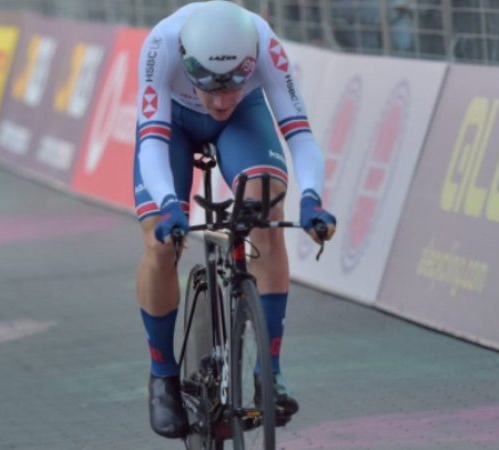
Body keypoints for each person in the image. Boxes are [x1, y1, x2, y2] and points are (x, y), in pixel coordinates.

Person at [133, 0, 336, 439]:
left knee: (267, 206)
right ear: (188, 64)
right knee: (160, 243)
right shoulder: (161, 46)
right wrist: (169, 204)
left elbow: (299, 133)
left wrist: (313, 200)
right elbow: (151, 142)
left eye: (235, 85)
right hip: (174, 124)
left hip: (245, 123)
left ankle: (271, 372)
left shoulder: (264, 42)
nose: (223, 99)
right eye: (212, 87)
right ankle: (162, 375)